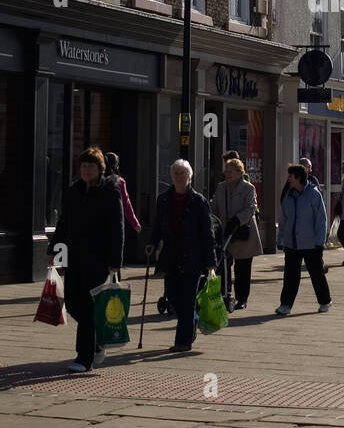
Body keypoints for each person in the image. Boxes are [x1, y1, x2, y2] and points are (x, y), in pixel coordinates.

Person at [49, 148, 125, 372]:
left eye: (91, 166)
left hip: (99, 259)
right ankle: (98, 341)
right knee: (72, 303)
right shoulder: (74, 191)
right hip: (75, 256)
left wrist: (115, 260)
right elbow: (64, 222)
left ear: (100, 168)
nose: (86, 170)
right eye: (83, 166)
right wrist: (53, 248)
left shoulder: (110, 191)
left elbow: (117, 227)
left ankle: (84, 359)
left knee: (89, 307)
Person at [145, 159, 216, 353]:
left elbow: (207, 233)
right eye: (176, 172)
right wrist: (152, 242)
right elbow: (158, 224)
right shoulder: (164, 199)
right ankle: (192, 320)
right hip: (171, 256)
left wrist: (211, 262)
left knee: (187, 300)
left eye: (182, 173)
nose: (178, 176)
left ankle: (183, 342)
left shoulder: (199, 201)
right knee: (174, 298)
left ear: (189, 176)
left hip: (192, 257)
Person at [276, 164, 332, 315]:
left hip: (311, 243)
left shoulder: (314, 195)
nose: (288, 180)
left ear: (298, 178)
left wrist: (320, 242)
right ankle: (285, 305)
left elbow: (321, 220)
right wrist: (280, 238)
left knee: (316, 274)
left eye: (291, 177)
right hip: (291, 243)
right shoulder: (289, 194)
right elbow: (283, 218)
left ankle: (325, 301)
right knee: (290, 276)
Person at [210, 156, 260, 310]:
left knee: (243, 269)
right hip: (225, 232)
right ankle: (226, 294)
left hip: (243, 232)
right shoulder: (221, 187)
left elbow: (251, 208)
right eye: (226, 171)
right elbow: (214, 205)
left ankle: (242, 299)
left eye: (231, 171)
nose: (228, 173)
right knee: (223, 265)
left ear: (240, 172)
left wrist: (238, 219)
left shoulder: (248, 188)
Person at [103, 151, 141, 234]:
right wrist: (135, 223)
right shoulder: (119, 181)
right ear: (116, 165)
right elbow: (126, 204)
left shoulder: (99, 180)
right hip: (113, 221)